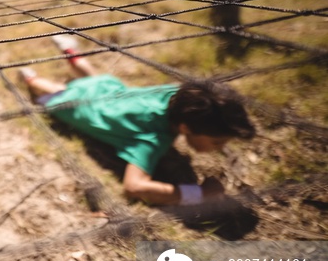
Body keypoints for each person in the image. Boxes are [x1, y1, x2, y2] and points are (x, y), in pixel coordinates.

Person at [20, 35, 256, 207]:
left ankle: (70, 52)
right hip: (78, 105)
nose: (220, 147)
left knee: (93, 78)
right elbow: (134, 187)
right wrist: (199, 193)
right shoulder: (152, 139)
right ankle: (30, 77)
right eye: (216, 142)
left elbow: (208, 97)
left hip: (109, 89)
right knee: (55, 90)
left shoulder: (175, 94)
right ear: (184, 127)